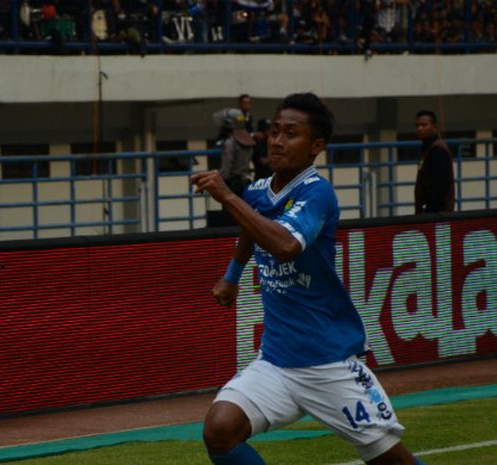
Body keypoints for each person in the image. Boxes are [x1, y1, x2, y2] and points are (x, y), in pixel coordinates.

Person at [190, 92, 426, 465]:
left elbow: (284, 245)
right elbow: (250, 232)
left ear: (316, 146)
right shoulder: (256, 191)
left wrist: (226, 196)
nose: (278, 141)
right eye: (275, 132)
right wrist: (232, 277)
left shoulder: (318, 193)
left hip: (328, 364)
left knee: (390, 460)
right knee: (220, 430)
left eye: (291, 134)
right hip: (276, 363)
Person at [413, 110, 455, 214]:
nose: (419, 128)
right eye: (417, 125)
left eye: (424, 125)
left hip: (438, 214)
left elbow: (439, 186)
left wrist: (429, 212)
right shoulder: (427, 149)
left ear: (434, 127)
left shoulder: (438, 150)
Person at [213, 108, 256, 198]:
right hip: (245, 182)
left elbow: (226, 170)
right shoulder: (248, 140)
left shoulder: (230, 143)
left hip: (232, 184)